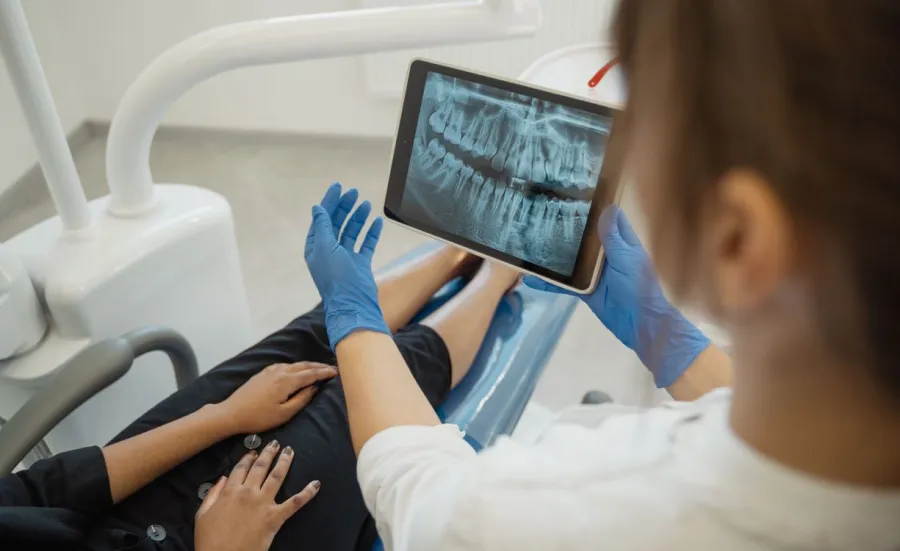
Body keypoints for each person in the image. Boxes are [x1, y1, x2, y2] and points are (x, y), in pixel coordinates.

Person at [302, 1, 900, 549]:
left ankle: (485, 275)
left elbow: (416, 494)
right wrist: (666, 335)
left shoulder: (556, 513)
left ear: (739, 236)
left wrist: (354, 316)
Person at [0, 218, 521, 551]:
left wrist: (224, 416)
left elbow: (44, 490)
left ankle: (458, 252)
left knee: (306, 344)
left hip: (109, 514)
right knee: (383, 383)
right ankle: (499, 274)